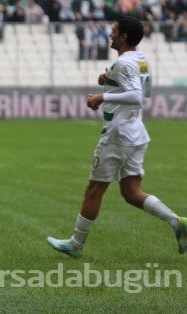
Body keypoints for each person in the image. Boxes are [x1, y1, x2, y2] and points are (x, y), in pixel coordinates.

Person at [47, 15, 187, 258]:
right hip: (136, 133)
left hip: (117, 136)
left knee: (94, 190)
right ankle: (178, 223)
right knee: (131, 192)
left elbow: (136, 96)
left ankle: (75, 244)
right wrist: (110, 82)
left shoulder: (124, 63)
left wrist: (103, 96)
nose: (110, 34)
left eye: (114, 31)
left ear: (123, 37)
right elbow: (145, 90)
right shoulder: (141, 59)